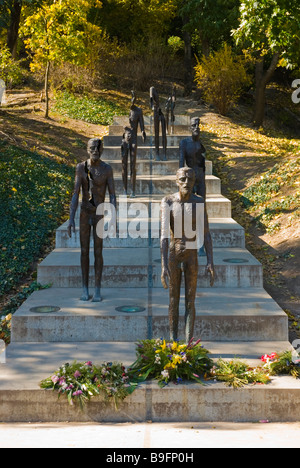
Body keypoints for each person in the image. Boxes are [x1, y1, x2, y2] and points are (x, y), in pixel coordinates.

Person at [160, 167, 215, 342]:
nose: (186, 183)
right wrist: (163, 265)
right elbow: (163, 236)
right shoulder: (168, 201)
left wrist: (210, 261)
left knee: (190, 301)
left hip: (191, 255)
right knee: (173, 300)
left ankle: (188, 344)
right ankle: (173, 342)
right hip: (174, 254)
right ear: (176, 181)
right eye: (183, 179)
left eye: (190, 179)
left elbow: (206, 233)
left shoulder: (198, 202)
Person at [68, 138, 116, 302]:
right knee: (83, 252)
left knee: (98, 252)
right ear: (87, 149)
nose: (95, 150)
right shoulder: (81, 168)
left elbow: (112, 195)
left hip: (99, 214)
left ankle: (97, 288)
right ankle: (84, 288)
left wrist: (113, 217)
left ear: (102, 150)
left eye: (98, 148)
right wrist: (71, 218)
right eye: (92, 148)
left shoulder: (107, 169)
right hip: (84, 214)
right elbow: (76, 193)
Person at [121, 91, 146, 197]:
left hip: (134, 139)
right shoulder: (128, 110)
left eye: (134, 98)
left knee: (132, 165)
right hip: (125, 139)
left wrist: (143, 132)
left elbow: (142, 125)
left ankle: (133, 191)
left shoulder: (138, 111)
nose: (132, 101)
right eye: (131, 98)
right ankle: (125, 190)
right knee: (124, 165)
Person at [179, 117, 206, 199]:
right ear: (190, 128)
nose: (196, 127)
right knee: (189, 201)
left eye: (198, 125)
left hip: (200, 175)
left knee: (202, 200)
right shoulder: (184, 143)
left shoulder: (201, 143)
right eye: (194, 125)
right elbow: (181, 162)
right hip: (190, 174)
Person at [150, 86, 167, 161]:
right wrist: (152, 107)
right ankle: (157, 153)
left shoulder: (156, 90)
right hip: (156, 112)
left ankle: (164, 153)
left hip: (159, 112)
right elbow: (151, 97)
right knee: (156, 134)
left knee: (164, 134)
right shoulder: (152, 88)